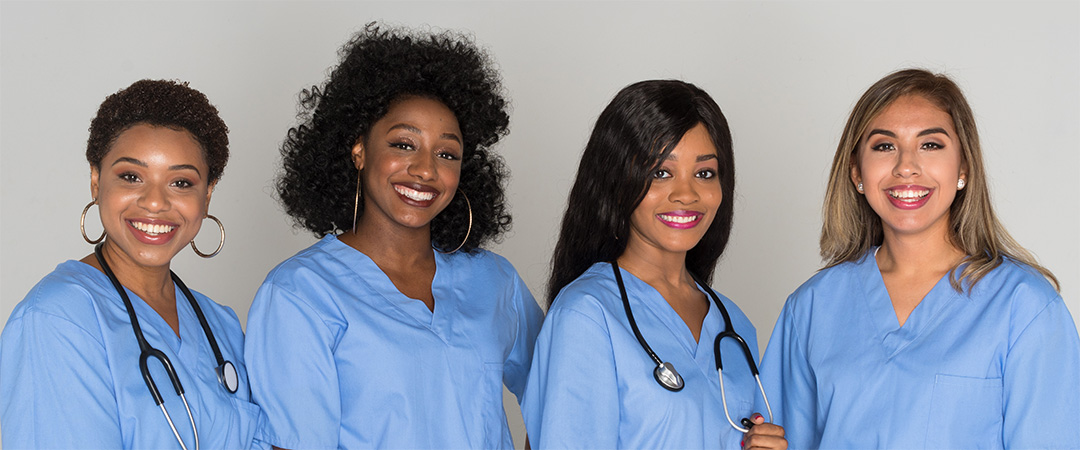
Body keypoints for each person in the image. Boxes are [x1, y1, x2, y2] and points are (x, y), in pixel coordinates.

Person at [244, 24, 543, 450]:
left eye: (446, 153)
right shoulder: (299, 294)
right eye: (404, 144)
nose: (425, 169)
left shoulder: (495, 281)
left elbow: (566, 390)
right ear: (359, 150)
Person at [757, 68, 1080, 449]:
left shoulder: (1024, 307)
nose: (906, 166)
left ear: (963, 168)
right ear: (856, 172)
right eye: (884, 146)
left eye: (930, 145)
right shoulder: (811, 308)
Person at [0, 79, 265, 449]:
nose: (155, 202)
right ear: (96, 180)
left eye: (181, 182)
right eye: (131, 176)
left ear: (207, 195)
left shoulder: (220, 326)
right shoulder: (57, 320)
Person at [521, 80, 786, 450]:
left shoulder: (734, 326)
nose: (687, 194)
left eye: (705, 173)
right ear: (617, 181)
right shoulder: (588, 315)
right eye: (661, 172)